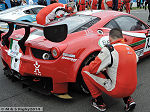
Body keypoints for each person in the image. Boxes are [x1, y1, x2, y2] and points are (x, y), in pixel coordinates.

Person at [81, 28, 138, 112]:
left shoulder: (109, 49)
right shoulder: (131, 50)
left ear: (109, 38)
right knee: (121, 71)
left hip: (116, 90)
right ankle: (128, 100)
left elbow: (93, 69)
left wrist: (100, 65)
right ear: (121, 37)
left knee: (85, 70)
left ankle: (99, 103)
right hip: (132, 89)